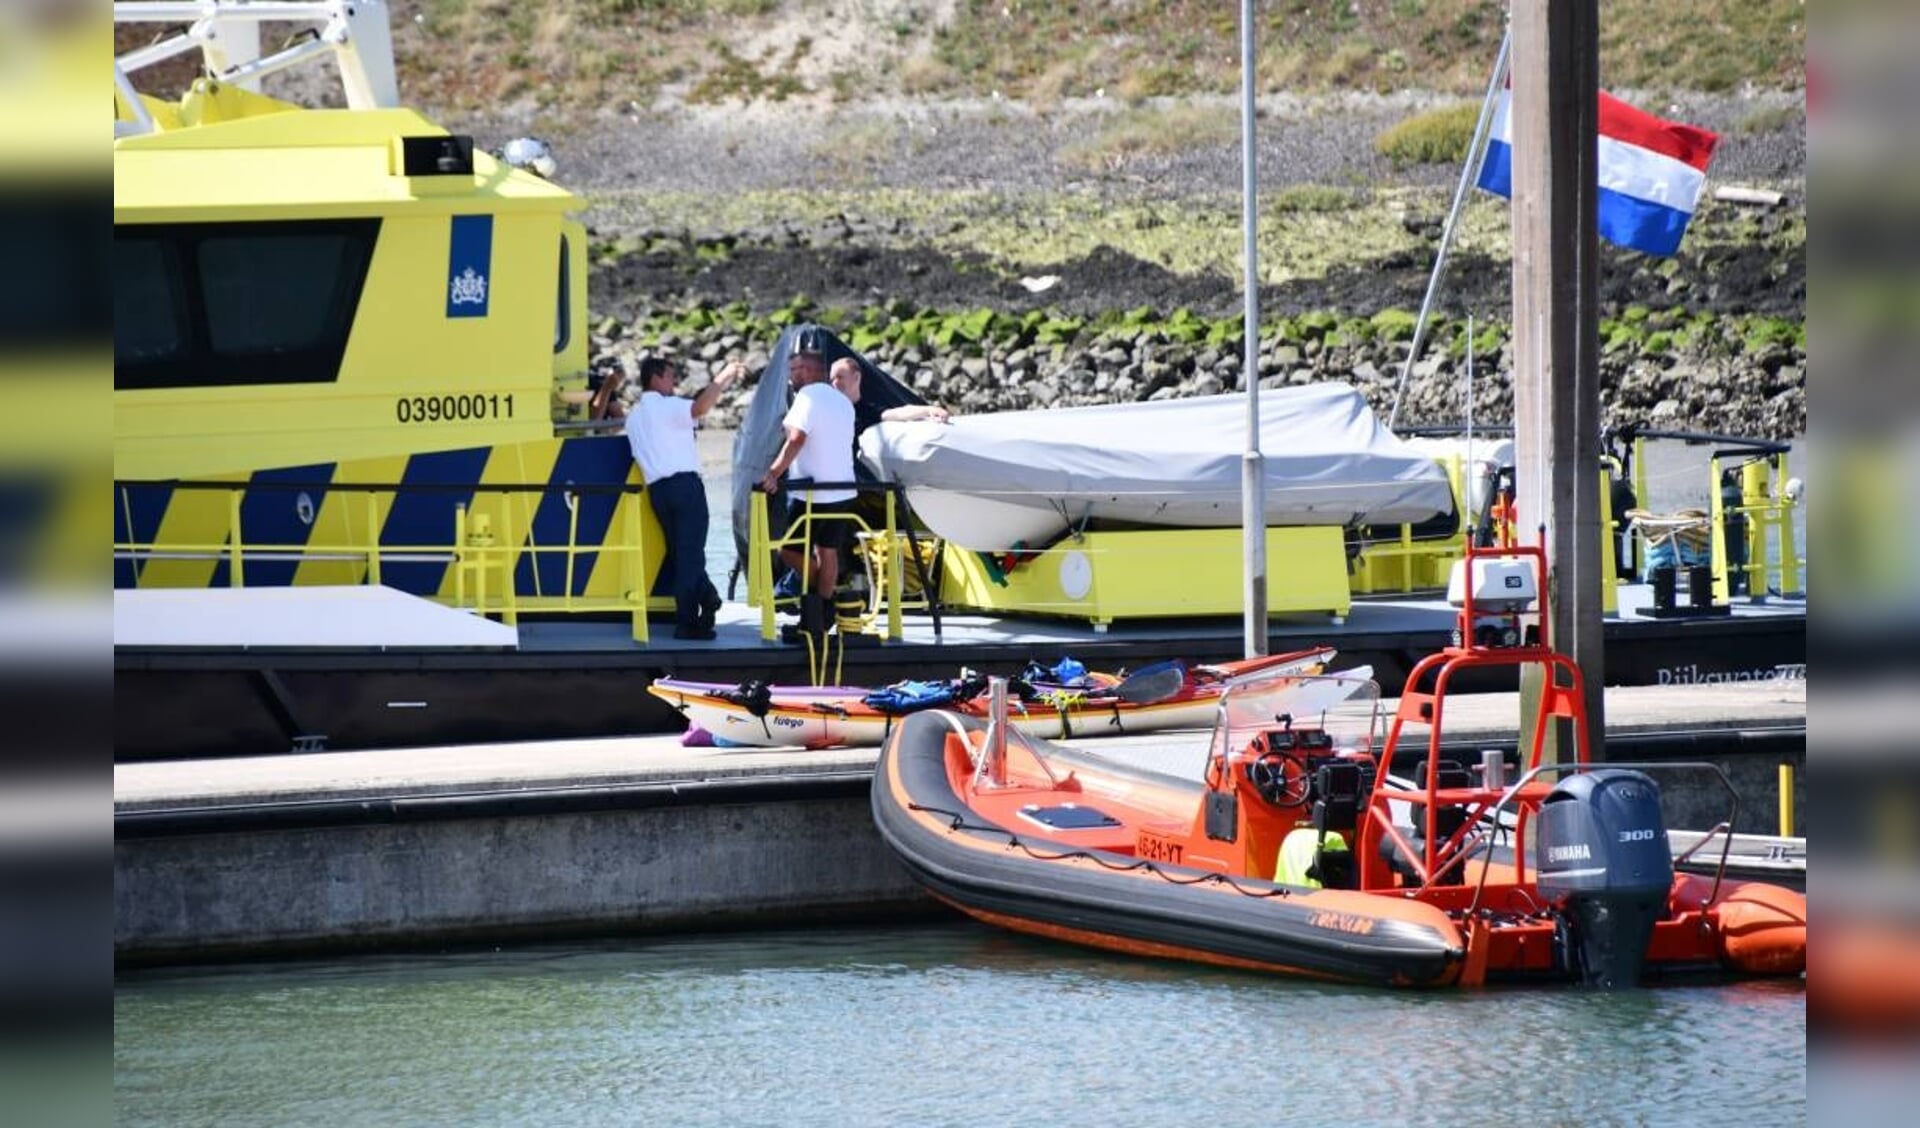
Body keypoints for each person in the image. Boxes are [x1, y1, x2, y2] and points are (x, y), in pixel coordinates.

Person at [627, 355, 743, 640]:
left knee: (680, 554)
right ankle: (687, 622)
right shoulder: (666, 407)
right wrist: (724, 377)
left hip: (658, 491)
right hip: (684, 487)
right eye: (670, 376)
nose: (674, 382)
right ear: (656, 378)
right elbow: (700, 408)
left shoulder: (634, 417)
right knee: (689, 556)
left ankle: (709, 597)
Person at [758, 336, 857, 629]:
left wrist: (774, 472)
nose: (792, 375)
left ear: (813, 371)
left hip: (814, 494)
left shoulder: (808, 396)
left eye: (797, 369)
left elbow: (797, 438)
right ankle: (822, 614)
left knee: (788, 550)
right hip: (842, 490)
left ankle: (818, 602)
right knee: (826, 552)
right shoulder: (842, 401)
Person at [828, 357, 951, 424]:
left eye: (840, 377)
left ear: (856, 377)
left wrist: (929, 410)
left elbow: (898, 413)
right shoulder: (825, 411)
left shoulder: (866, 412)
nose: (834, 383)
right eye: (832, 379)